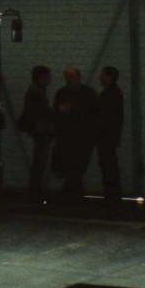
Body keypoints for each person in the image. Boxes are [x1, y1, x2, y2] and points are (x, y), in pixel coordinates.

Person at [53, 67, 98, 202]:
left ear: (78, 77)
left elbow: (94, 115)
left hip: (82, 136)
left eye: (72, 76)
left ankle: (72, 194)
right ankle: (74, 194)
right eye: (68, 77)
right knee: (74, 167)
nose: (70, 79)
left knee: (75, 167)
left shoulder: (85, 93)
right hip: (70, 136)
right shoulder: (68, 93)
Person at [17, 65, 55, 203]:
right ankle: (35, 193)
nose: (50, 78)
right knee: (40, 162)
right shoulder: (37, 93)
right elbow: (42, 112)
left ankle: (35, 192)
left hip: (39, 131)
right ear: (42, 77)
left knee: (39, 162)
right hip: (41, 131)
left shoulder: (36, 91)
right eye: (48, 76)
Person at [96, 66, 124, 207]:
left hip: (106, 136)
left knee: (108, 165)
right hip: (109, 136)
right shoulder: (114, 93)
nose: (100, 77)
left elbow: (105, 117)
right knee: (109, 165)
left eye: (103, 75)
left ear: (109, 77)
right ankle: (112, 196)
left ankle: (111, 196)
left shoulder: (109, 94)